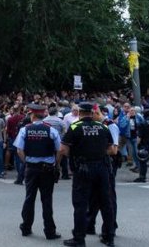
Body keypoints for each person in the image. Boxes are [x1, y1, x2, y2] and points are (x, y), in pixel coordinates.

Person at [61, 102, 116, 247]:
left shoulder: (74, 127)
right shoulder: (103, 127)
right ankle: (109, 237)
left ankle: (79, 238)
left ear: (79, 113)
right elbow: (111, 149)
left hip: (83, 168)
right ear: (92, 113)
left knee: (80, 204)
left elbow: (63, 149)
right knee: (106, 203)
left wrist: (77, 157)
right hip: (102, 168)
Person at [14, 104, 61, 240]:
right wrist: (56, 164)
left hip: (32, 168)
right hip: (47, 168)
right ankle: (50, 231)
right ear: (43, 115)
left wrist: (26, 162)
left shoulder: (25, 130)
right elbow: (59, 150)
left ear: (32, 115)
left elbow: (19, 150)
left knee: (29, 198)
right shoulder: (51, 130)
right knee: (47, 200)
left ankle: (26, 227)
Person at [86, 106, 120, 236]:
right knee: (93, 196)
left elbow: (114, 150)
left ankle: (110, 227)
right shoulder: (96, 125)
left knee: (108, 198)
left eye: (92, 114)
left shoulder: (110, 126)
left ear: (97, 113)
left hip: (107, 164)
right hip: (97, 164)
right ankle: (89, 224)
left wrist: (92, 151)